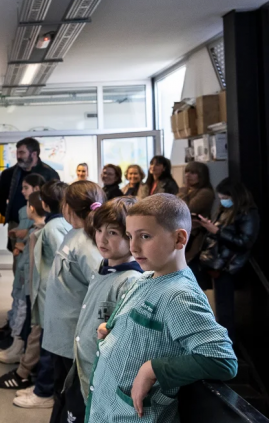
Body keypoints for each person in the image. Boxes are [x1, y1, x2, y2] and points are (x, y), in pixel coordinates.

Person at [88, 194, 237, 422]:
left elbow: (222, 359)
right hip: (106, 408)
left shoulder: (180, 295)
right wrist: (114, 330)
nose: (133, 247)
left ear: (179, 239)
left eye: (145, 236)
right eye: (130, 236)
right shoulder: (144, 278)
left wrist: (153, 369)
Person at [25, 181, 105, 421]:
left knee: (72, 396)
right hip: (62, 330)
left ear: (68, 207)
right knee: (62, 392)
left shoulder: (87, 241)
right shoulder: (73, 232)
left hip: (73, 333)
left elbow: (99, 284)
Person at [63, 197, 143, 421]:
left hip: (103, 379)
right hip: (84, 368)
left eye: (113, 233)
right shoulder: (103, 268)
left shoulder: (131, 280)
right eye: (99, 230)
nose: (102, 239)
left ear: (132, 236)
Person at [13, 180, 71, 409]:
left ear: (44, 204)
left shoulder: (52, 228)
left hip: (52, 296)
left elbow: (62, 262)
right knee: (47, 343)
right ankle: (42, 387)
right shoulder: (56, 225)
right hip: (50, 295)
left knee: (49, 347)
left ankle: (44, 392)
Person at [0, 191, 46, 389]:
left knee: (31, 322)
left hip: (37, 288)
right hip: (29, 281)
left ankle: (25, 369)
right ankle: (17, 346)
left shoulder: (45, 231)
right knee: (22, 311)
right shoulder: (37, 230)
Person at [195, 179, 259, 337]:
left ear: (235, 196)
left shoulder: (248, 213)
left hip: (229, 265)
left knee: (225, 310)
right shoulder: (224, 210)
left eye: (225, 198)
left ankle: (227, 345)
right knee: (219, 306)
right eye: (221, 198)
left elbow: (244, 242)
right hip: (216, 263)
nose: (223, 201)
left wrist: (217, 231)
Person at [0, 138, 59, 252]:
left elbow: (56, 200)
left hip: (41, 223)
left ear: (34, 154)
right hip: (16, 223)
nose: (18, 156)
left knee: (41, 256)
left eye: (22, 152)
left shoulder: (49, 174)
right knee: (19, 259)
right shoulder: (8, 174)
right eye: (17, 152)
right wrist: (10, 216)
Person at [178, 161, 215, 266]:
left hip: (196, 234)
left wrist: (183, 192)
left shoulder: (205, 192)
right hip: (184, 231)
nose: (187, 175)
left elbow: (186, 209)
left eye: (193, 173)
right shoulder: (188, 190)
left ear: (201, 175)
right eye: (187, 172)